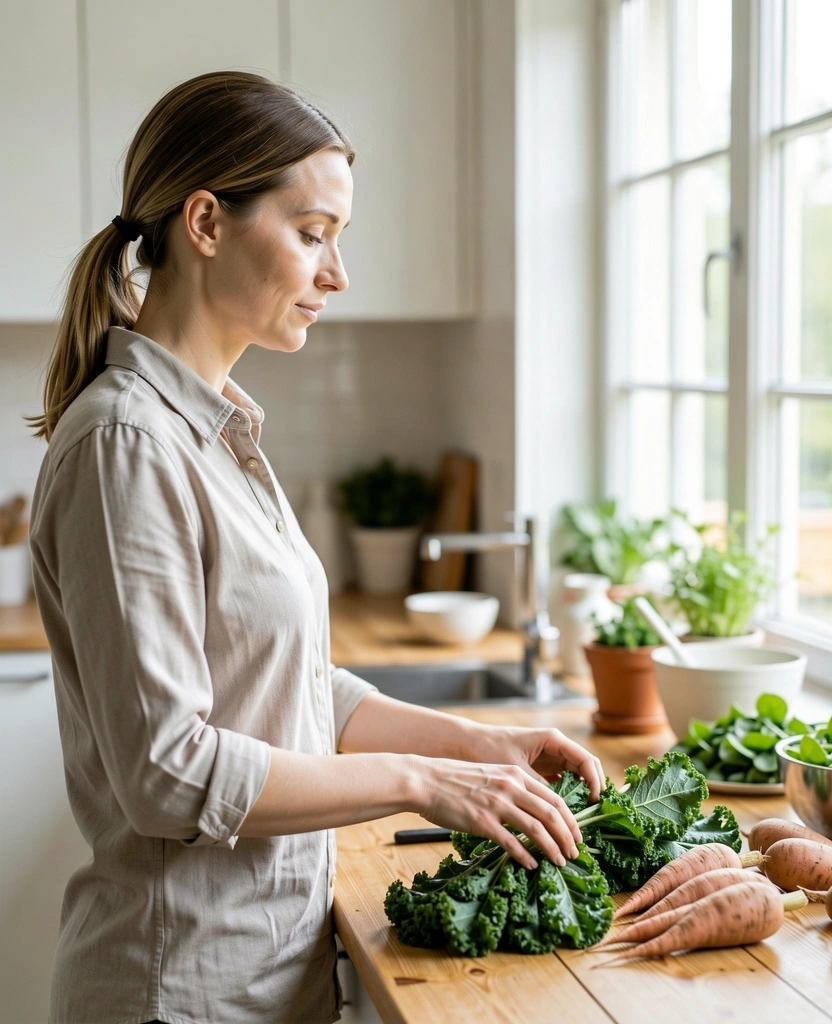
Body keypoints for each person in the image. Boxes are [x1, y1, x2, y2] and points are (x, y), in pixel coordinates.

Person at [27, 71, 605, 1024]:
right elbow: (169, 774)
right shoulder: (126, 444)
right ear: (206, 223)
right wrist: (421, 783)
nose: (337, 274)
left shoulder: (216, 431)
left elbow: (286, 684)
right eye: (312, 233)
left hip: (263, 978)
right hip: (179, 993)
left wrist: (478, 746)